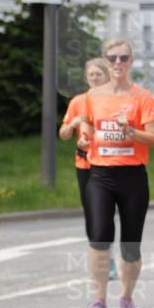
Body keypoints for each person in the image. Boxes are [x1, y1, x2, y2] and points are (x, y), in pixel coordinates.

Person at [79, 37, 154, 308]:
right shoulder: (93, 96)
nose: (117, 63)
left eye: (123, 58)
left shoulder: (142, 97)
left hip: (132, 176)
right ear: (105, 59)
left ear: (131, 62)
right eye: (112, 58)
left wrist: (133, 133)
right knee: (99, 235)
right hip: (100, 174)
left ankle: (126, 300)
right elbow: (88, 123)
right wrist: (85, 135)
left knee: (130, 244)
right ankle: (98, 301)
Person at [59, 58, 118, 280]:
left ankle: (107, 258)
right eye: (91, 75)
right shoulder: (78, 101)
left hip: (106, 164)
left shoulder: (113, 101)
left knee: (104, 214)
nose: (94, 79)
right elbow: (63, 134)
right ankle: (99, 256)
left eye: (98, 75)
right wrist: (73, 124)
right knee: (91, 214)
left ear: (107, 77)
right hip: (84, 165)